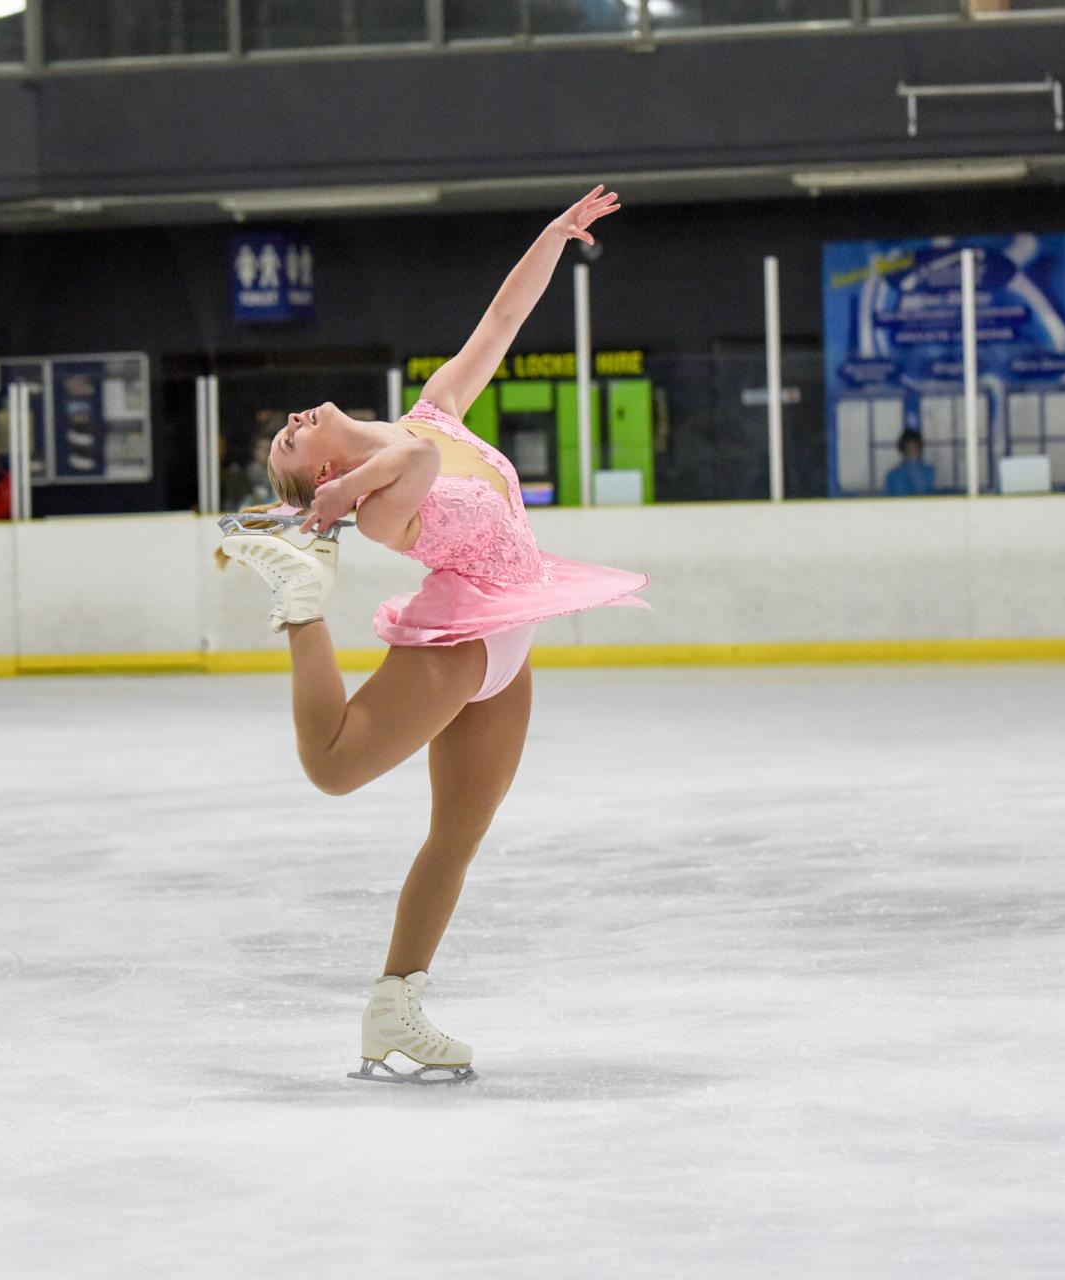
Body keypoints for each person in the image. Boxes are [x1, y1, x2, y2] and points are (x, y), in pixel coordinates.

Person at [217, 186, 647, 1086]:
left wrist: (553, 238)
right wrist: (332, 506)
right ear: (328, 477)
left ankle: (394, 1009)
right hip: (461, 639)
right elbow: (407, 467)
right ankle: (300, 604)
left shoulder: (431, 414)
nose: (291, 427)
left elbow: (498, 322)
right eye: (289, 454)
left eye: (288, 436)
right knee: (335, 766)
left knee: (456, 835)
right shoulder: (378, 508)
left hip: (511, 636)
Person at [882, 428, 934, 496]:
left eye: (915, 448)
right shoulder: (893, 475)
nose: (912, 451)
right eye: (909, 448)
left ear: (920, 449)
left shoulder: (930, 471)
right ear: (903, 450)